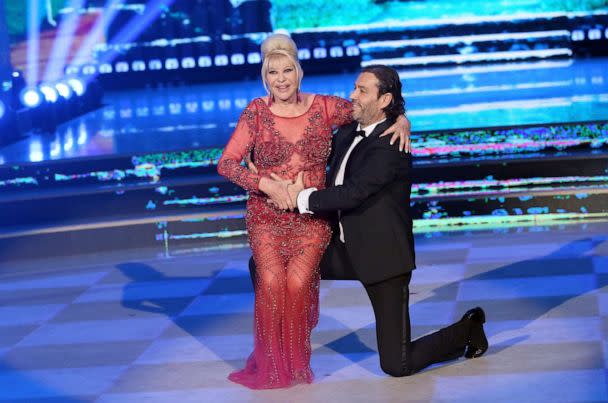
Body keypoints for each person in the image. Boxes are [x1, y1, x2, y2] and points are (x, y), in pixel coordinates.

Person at [250, 65, 488, 377]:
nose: (352, 96)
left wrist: (298, 199)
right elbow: (306, 145)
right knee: (265, 264)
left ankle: (467, 330)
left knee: (397, 364)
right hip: (343, 249)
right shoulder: (348, 131)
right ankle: (281, 351)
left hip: (382, 259)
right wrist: (263, 157)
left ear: (385, 99)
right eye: (354, 88)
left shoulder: (392, 145)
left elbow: (353, 193)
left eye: (362, 91)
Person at [217, 34, 411, 389]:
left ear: (299, 72)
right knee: (273, 281)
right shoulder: (256, 112)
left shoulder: (324, 107)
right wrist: (266, 185)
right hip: (266, 215)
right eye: (273, 72)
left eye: (287, 70)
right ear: (265, 76)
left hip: (310, 219)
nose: (281, 79)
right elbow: (226, 165)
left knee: (296, 282)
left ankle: (294, 360)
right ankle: (273, 365)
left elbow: (369, 111)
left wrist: (402, 119)